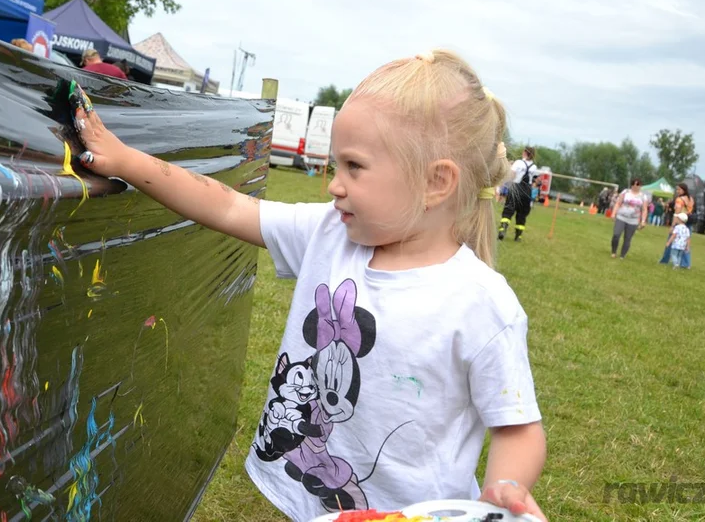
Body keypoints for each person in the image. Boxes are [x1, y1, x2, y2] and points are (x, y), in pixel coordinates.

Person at [71, 49, 548, 521]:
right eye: (336, 165)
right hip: (317, 500)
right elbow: (229, 207)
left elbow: (518, 429)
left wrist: (503, 489)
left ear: (436, 183)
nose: (334, 185)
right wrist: (126, 160)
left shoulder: (481, 305)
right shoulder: (330, 234)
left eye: (354, 167)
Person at [498, 146, 538, 242]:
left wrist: (505, 183)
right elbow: (534, 180)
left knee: (509, 209)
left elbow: (512, 175)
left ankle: (503, 229)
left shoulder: (518, 163)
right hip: (527, 191)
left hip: (516, 188)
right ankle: (518, 236)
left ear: (525, 152)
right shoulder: (534, 166)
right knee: (522, 214)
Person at [610, 179, 647, 259]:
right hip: (621, 216)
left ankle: (622, 255)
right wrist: (613, 213)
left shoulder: (643, 196)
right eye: (634, 184)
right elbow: (618, 203)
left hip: (633, 220)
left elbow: (644, 209)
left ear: (640, 186)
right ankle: (613, 251)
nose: (635, 186)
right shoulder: (625, 192)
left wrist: (643, 221)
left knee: (627, 238)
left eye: (638, 184)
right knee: (616, 234)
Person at [659, 184, 694, 265]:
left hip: (679, 223)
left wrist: (672, 226)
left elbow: (676, 213)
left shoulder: (679, 199)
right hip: (688, 223)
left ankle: (665, 260)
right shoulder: (691, 199)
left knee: (671, 241)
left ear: (683, 190)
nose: (677, 191)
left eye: (679, 190)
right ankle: (685, 263)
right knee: (685, 242)